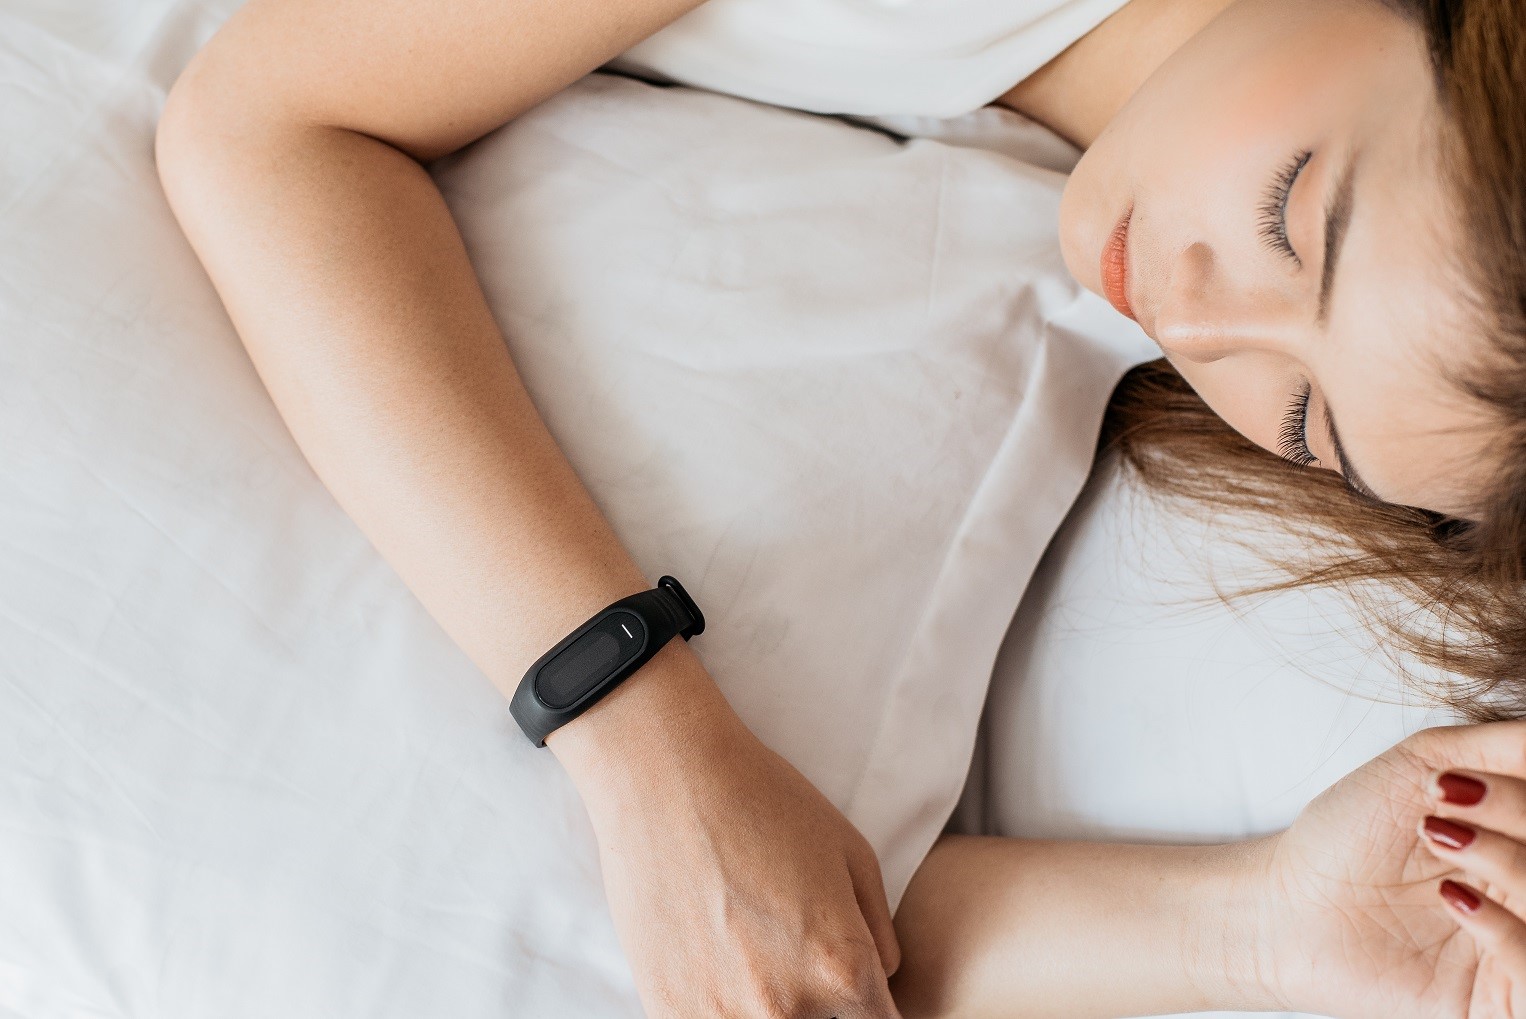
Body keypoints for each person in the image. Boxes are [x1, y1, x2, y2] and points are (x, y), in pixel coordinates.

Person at [150, 0, 1526, 1014]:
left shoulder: (1070, 220)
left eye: (1302, 419)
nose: (1203, 318)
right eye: (1292, 217)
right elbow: (263, 118)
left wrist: (1260, 930)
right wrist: (635, 721)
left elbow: (779, 925)